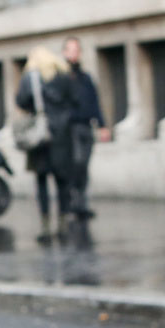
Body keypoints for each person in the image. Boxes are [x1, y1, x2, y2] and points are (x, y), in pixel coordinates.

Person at [17, 47, 79, 242]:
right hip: (61, 134)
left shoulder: (31, 77)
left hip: (41, 136)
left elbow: (21, 100)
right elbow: (74, 101)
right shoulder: (63, 75)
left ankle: (45, 225)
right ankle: (62, 222)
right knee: (62, 181)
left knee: (42, 181)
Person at [62, 37, 107, 218]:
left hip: (86, 126)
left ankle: (82, 203)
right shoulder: (63, 77)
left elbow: (95, 102)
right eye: (71, 50)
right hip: (71, 128)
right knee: (77, 163)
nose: (74, 54)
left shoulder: (85, 77)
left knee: (85, 165)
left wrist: (102, 125)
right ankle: (73, 202)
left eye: (77, 50)